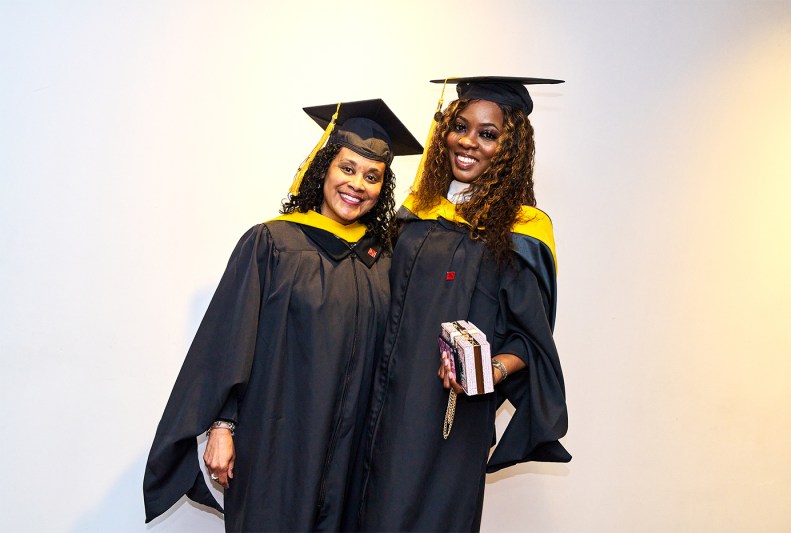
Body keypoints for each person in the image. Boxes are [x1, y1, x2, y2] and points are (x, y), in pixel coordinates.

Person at [142, 99, 422, 532]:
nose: (357, 184)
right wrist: (221, 425)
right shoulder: (271, 244)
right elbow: (230, 339)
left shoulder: (383, 261)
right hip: (276, 444)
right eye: (347, 168)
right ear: (323, 168)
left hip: (351, 457)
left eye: (372, 176)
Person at [354, 77, 571, 532]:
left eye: (488, 134)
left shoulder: (520, 231)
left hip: (447, 416)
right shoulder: (416, 210)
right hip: (376, 402)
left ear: (509, 146)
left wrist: (491, 370)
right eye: (460, 126)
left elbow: (530, 341)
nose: (469, 142)